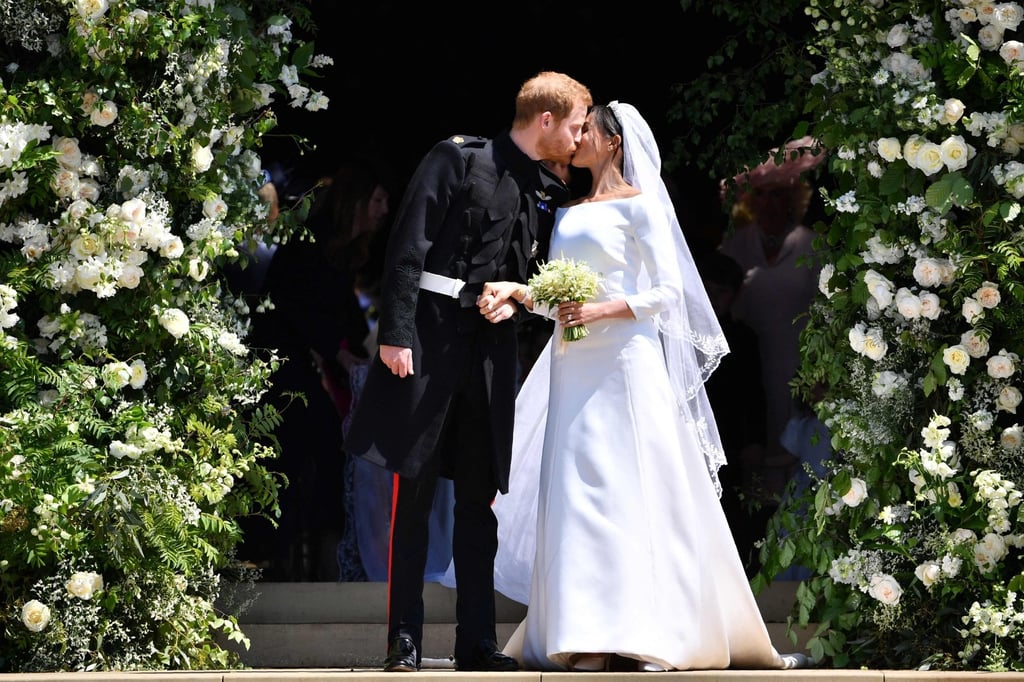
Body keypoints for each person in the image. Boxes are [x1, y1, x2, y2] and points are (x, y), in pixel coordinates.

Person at [477, 102, 808, 671]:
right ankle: (582, 633)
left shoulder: (642, 206)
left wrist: (601, 309)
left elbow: (668, 293)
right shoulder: (569, 207)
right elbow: (559, 290)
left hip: (623, 363)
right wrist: (519, 290)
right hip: (572, 363)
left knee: (628, 489)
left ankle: (640, 630)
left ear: (612, 141)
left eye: (586, 130)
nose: (576, 138)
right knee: (576, 492)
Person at [341, 71, 592, 673]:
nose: (581, 139)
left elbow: (537, 272)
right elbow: (408, 246)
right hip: (428, 346)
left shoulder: (547, 189)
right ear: (548, 120)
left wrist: (517, 297)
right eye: (578, 124)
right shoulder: (456, 159)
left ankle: (476, 642)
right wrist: (396, 336)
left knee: (481, 502)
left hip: (491, 357)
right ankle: (402, 639)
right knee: (417, 496)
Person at [246, 156, 392, 582]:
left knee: (320, 453)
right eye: (379, 200)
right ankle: (288, 558)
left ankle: (309, 558)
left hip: (304, 364)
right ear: (358, 201)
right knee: (309, 451)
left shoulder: (339, 252)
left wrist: (364, 350)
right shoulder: (311, 244)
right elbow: (293, 305)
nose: (384, 211)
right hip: (280, 365)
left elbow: (344, 313)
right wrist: (338, 352)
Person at [718, 138, 825, 496]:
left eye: (777, 194)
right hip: (747, 359)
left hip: (797, 358)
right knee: (751, 438)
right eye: (761, 194)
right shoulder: (735, 245)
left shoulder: (811, 244)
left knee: (793, 443)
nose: (769, 202)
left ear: (793, 199)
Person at [697, 249, 772, 577]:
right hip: (687, 434)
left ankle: (733, 578)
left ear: (736, 293)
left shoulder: (743, 336)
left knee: (731, 508)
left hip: (730, 438)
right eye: (708, 290)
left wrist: (755, 441)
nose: (714, 300)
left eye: (721, 292)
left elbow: (755, 394)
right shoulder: (677, 337)